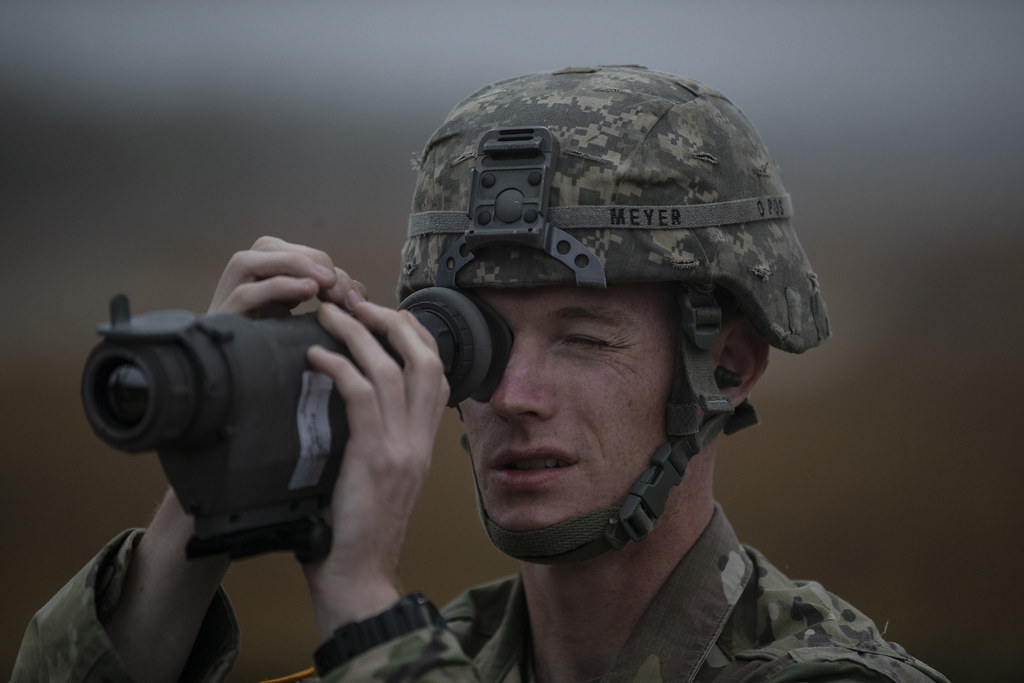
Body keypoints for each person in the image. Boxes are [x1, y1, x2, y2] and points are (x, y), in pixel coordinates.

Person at [13, 66, 947, 682]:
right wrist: (207, 492)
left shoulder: (825, 670)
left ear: (728, 365)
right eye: (476, 342)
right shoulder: (441, 651)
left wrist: (368, 616)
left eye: (582, 338)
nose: (510, 395)